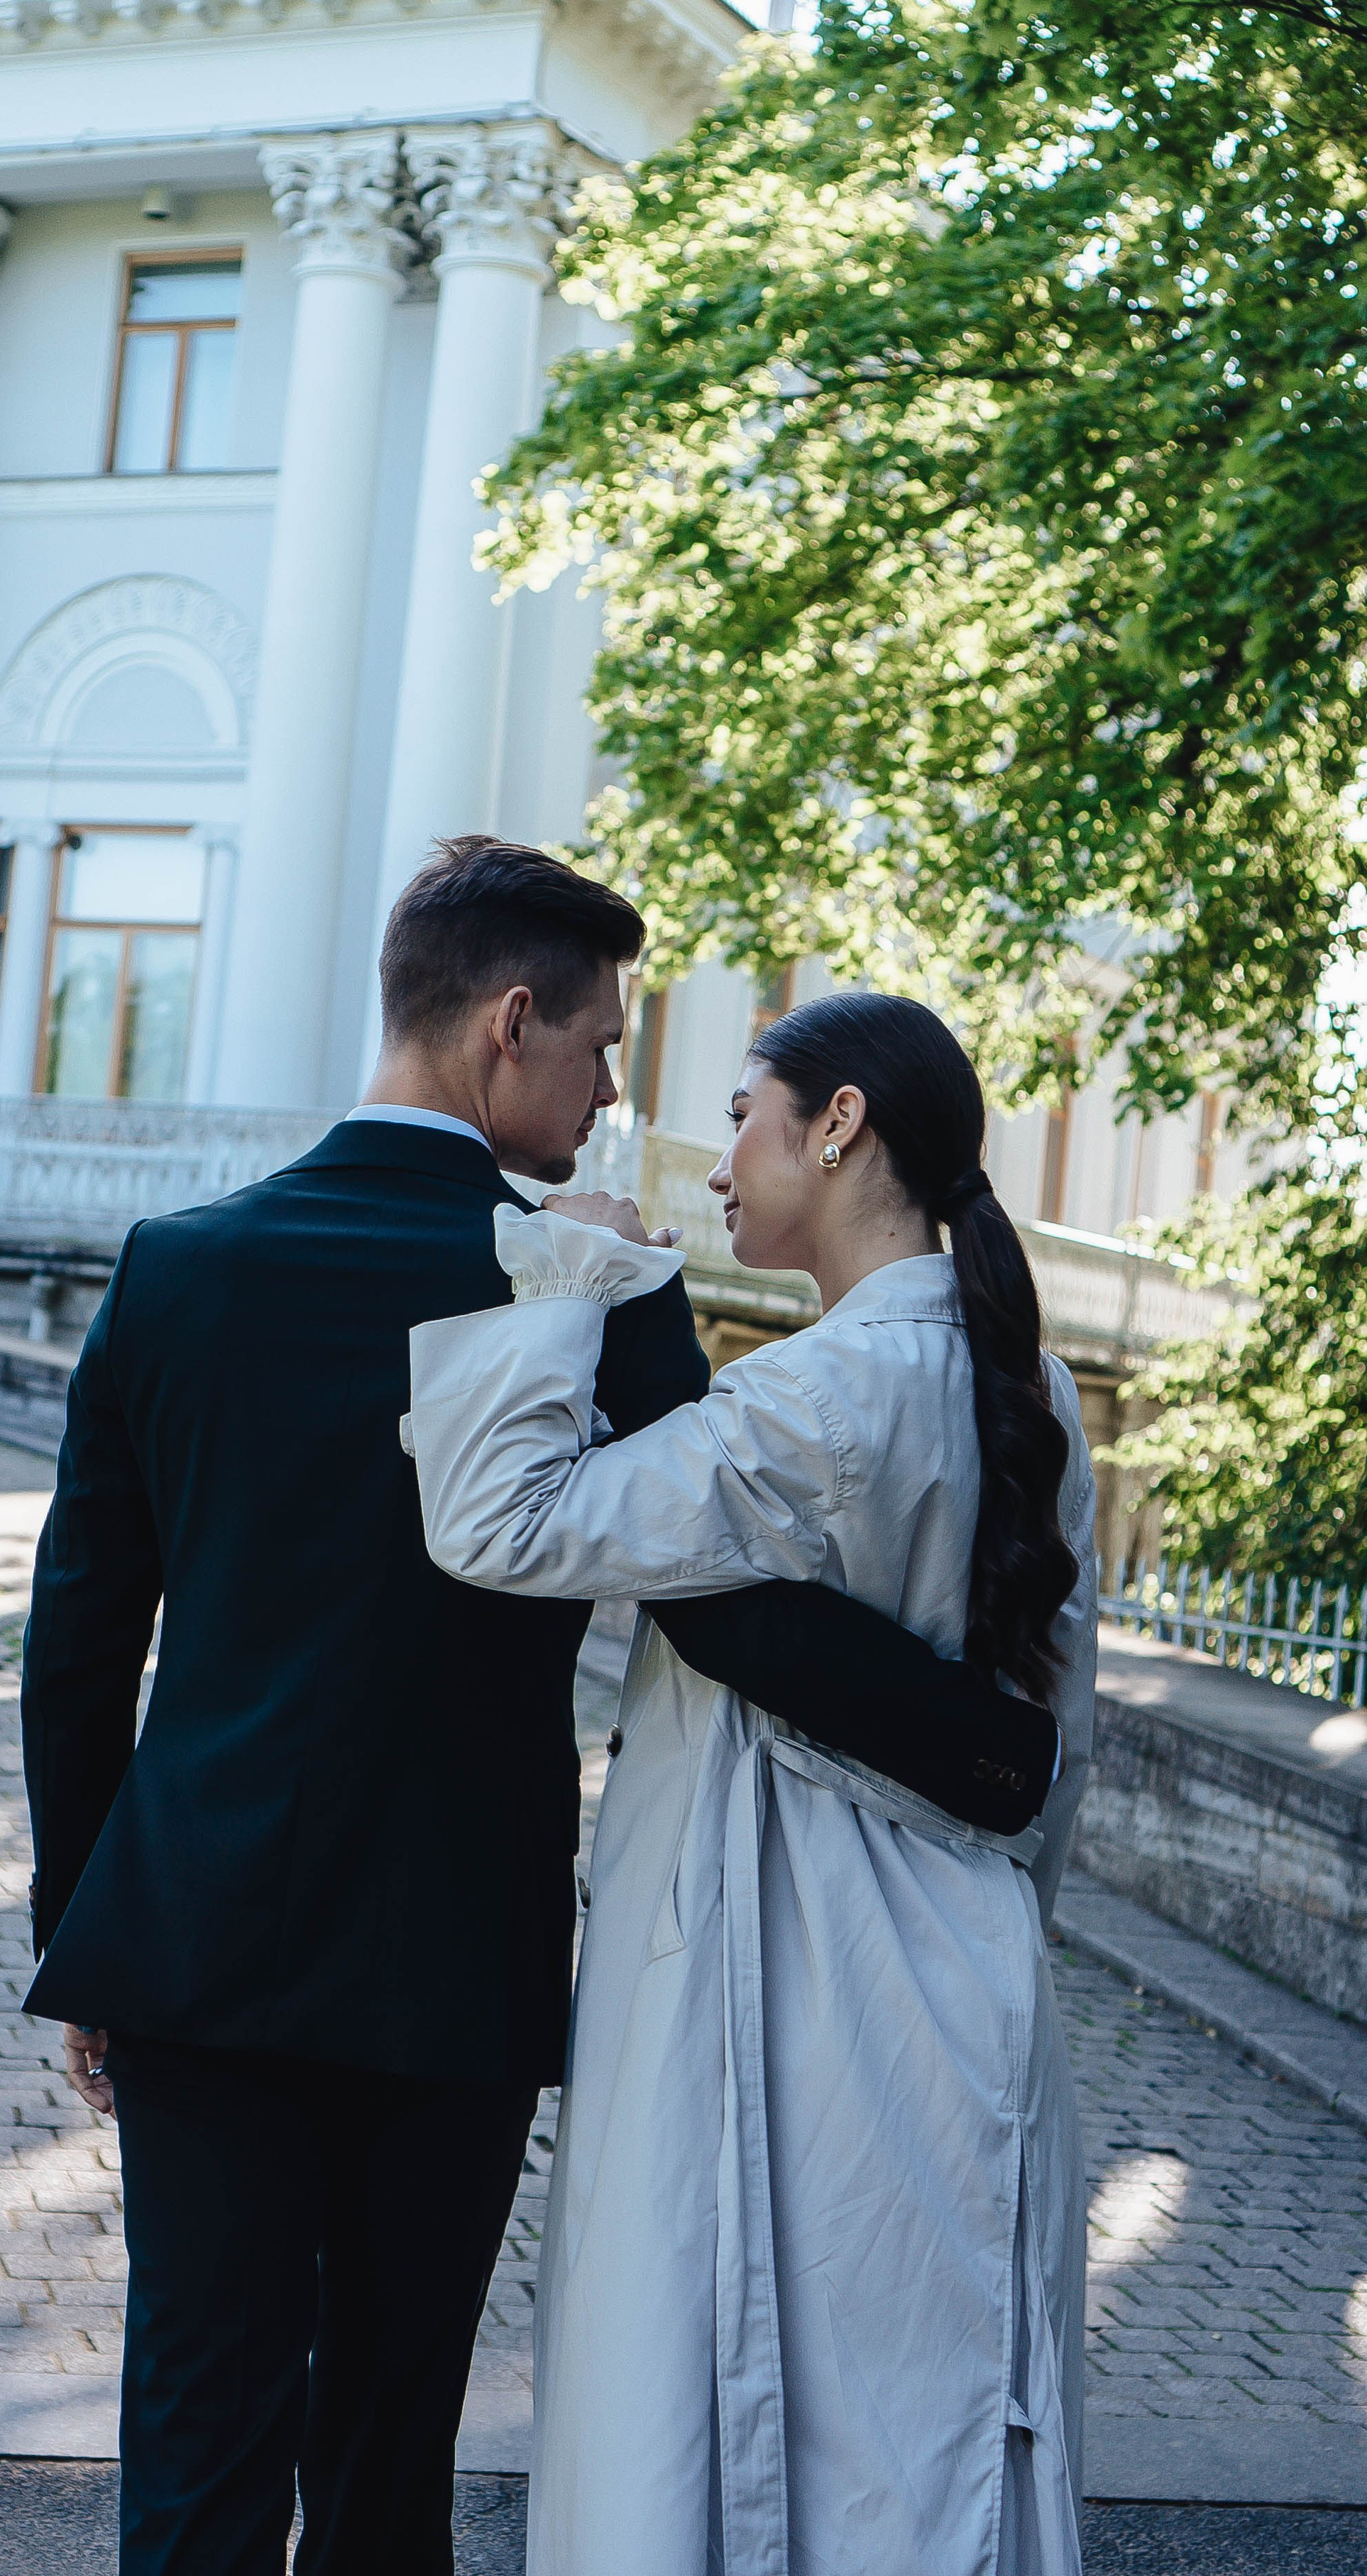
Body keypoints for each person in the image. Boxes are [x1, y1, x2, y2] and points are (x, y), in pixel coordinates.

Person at [18, 849, 1063, 2576]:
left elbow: (77, 1639)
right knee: (390, 2451)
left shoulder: (180, 1266)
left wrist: (81, 1925)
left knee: (196, 2442)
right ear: (510, 1024)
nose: (609, 1095)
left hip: (194, 1942)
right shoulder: (599, 1290)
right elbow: (721, 1603)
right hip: (460, 1957)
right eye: (598, 1047)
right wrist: (984, 1748)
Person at [407, 989, 1099, 2576]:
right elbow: (1054, 1759)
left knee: (728, 2430)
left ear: (838, 1123)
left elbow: (499, 1520)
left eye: (740, 1117)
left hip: (780, 1968)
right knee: (932, 2464)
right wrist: (1004, 1928)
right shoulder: (1033, 1392)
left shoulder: (810, 1404)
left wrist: (569, 1275)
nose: (717, 1164)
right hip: (975, 1985)